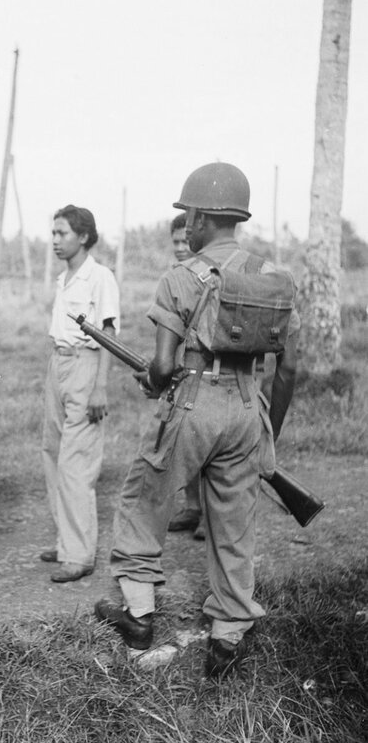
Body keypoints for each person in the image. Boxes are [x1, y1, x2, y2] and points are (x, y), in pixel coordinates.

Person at [94, 163, 298, 678]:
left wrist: (155, 382)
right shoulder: (273, 277)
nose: (186, 225)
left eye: (189, 215)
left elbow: (163, 366)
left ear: (204, 217)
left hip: (192, 403)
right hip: (249, 409)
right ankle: (227, 639)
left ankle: (138, 615)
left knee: (144, 502)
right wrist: (264, 427)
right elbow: (288, 367)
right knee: (233, 526)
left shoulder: (180, 277)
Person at [40, 205, 120, 583]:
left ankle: (79, 554)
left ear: (84, 236)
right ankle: (65, 541)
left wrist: (100, 385)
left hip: (86, 365)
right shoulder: (65, 278)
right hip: (59, 363)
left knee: (77, 461)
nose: (55, 240)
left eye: (63, 233)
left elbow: (109, 335)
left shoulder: (99, 277)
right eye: (53, 233)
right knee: (53, 452)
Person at [166, 211, 205, 540]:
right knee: (184, 445)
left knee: (204, 447)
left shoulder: (208, 278)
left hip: (205, 373)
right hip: (181, 370)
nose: (180, 247)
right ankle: (192, 506)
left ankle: (208, 514)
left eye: (185, 241)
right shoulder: (175, 277)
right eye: (175, 241)